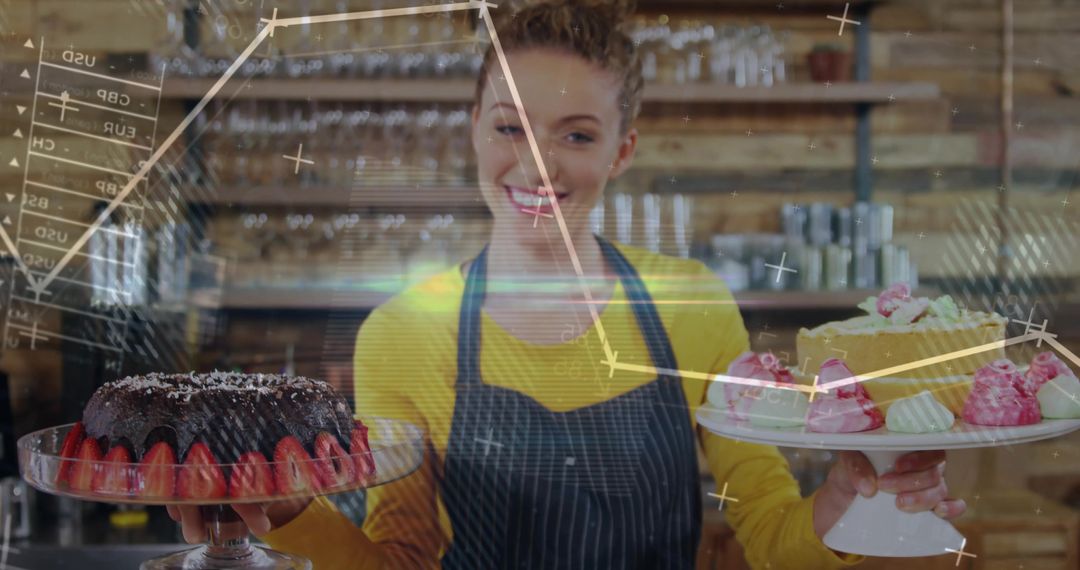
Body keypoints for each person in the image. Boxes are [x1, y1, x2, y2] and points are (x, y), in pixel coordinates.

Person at [170, 1, 965, 567]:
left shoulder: (690, 308)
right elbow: (401, 559)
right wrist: (291, 519)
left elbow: (764, 525)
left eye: (576, 134)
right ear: (473, 128)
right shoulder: (404, 333)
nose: (537, 164)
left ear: (623, 150)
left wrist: (838, 508)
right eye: (509, 126)